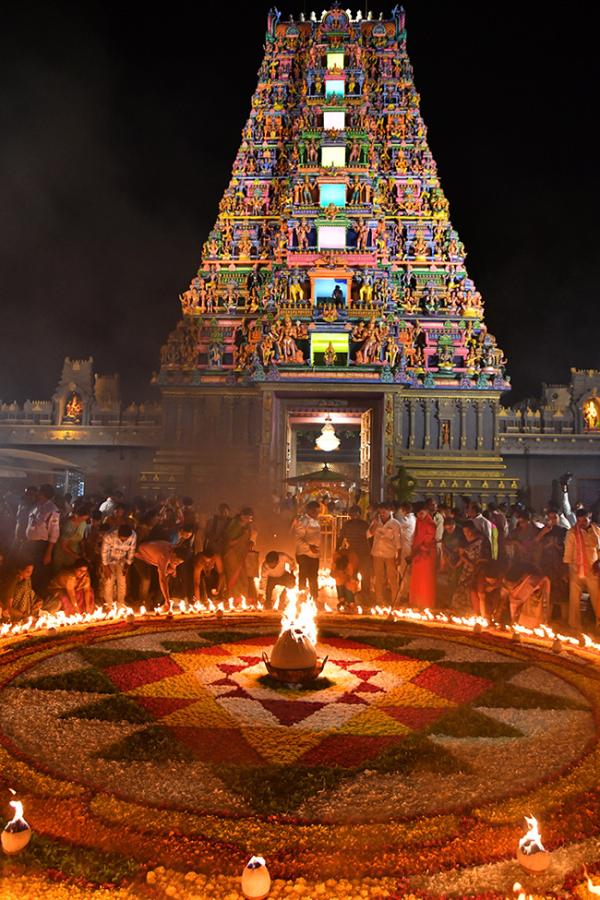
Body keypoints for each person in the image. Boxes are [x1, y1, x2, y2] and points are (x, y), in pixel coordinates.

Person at [563, 508, 600, 631]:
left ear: (589, 517)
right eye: (579, 521)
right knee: (574, 599)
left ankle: (598, 623)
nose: (582, 523)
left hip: (593, 570)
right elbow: (568, 553)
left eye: (584, 520)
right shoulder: (572, 532)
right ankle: (574, 625)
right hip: (575, 569)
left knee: (597, 598)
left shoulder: (596, 531)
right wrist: (568, 572)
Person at [24, 484, 60, 593]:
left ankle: (39, 596)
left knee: (40, 572)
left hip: (42, 545)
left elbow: (54, 532)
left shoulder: (52, 510)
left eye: (39, 492)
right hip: (31, 544)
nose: (37, 493)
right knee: (30, 570)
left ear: (44, 494)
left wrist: (48, 552)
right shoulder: (36, 506)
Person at [534, 509, 568, 620]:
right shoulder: (543, 531)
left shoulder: (564, 531)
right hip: (546, 565)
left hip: (559, 565)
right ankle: (546, 618)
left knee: (562, 592)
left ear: (559, 518)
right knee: (548, 592)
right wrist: (543, 532)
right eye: (549, 518)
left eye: (554, 518)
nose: (552, 520)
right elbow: (535, 543)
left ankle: (564, 619)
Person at [133, 540, 187, 610]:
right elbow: (162, 580)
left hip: (153, 560)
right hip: (140, 556)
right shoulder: (164, 555)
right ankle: (142, 604)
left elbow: (172, 568)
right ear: (174, 554)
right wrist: (167, 599)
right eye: (177, 561)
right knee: (146, 580)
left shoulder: (175, 550)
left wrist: (172, 570)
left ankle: (156, 602)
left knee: (168, 578)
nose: (177, 563)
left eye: (179, 563)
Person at [368, 502, 402, 604]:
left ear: (389, 511)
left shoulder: (395, 524)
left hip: (389, 554)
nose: (382, 514)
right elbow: (368, 534)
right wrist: (375, 524)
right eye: (380, 512)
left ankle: (395, 599)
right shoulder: (376, 522)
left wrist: (399, 556)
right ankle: (379, 599)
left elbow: (398, 542)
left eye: (384, 511)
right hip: (377, 553)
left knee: (392, 577)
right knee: (379, 577)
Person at [456, 521, 492, 613]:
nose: (466, 534)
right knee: (463, 585)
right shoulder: (463, 540)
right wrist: (469, 563)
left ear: (473, 530)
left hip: (479, 568)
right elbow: (461, 555)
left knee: (474, 588)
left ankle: (474, 610)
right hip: (467, 567)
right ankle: (461, 608)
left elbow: (486, 556)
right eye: (464, 532)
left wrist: (478, 565)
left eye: (468, 531)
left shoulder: (482, 540)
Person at [337, 506, 371, 599]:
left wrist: (371, 552)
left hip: (364, 553)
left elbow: (370, 538)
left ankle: (365, 595)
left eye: (356, 513)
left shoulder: (365, 525)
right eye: (352, 513)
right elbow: (341, 537)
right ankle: (352, 596)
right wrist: (337, 549)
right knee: (352, 575)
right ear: (350, 515)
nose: (354, 515)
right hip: (352, 554)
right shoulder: (346, 525)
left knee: (365, 576)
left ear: (360, 514)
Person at [101, 524, 137, 609]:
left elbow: (132, 550)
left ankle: (121, 603)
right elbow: (104, 552)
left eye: (126, 539)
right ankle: (109, 605)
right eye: (122, 539)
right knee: (109, 581)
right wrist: (106, 567)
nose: (124, 541)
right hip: (109, 559)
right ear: (118, 535)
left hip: (122, 560)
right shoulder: (109, 536)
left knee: (122, 581)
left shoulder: (133, 535)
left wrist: (127, 564)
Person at [408, 502, 437, 608]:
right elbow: (416, 537)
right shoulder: (419, 521)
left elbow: (428, 540)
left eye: (421, 513)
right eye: (418, 514)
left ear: (426, 511)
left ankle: (426, 602)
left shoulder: (430, 524)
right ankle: (416, 601)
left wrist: (421, 548)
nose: (420, 516)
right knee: (416, 578)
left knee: (426, 579)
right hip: (417, 554)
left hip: (426, 555)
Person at [222, 508, 255, 600]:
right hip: (231, 554)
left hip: (241, 555)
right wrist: (242, 536)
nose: (249, 520)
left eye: (251, 519)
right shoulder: (235, 525)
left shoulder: (247, 526)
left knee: (243, 576)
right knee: (233, 577)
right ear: (242, 516)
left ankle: (241, 598)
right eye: (248, 518)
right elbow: (230, 542)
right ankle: (233, 598)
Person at [293, 500, 321, 600]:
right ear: (308, 510)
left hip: (315, 555)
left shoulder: (316, 521)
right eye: (314, 511)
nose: (317, 513)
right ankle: (302, 597)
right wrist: (309, 547)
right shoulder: (303, 521)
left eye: (318, 511)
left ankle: (314, 598)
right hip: (304, 554)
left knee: (314, 577)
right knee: (303, 576)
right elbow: (298, 539)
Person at [53, 502, 91, 571]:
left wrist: (83, 551)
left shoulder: (83, 523)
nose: (83, 521)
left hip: (74, 551)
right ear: (76, 515)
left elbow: (81, 538)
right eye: (82, 519)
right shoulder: (68, 527)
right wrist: (78, 558)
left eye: (85, 519)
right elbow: (63, 547)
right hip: (62, 553)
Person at [396, 501, 416, 602]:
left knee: (405, 572)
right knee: (404, 572)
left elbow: (397, 524)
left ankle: (405, 594)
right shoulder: (412, 519)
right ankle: (405, 593)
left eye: (400, 510)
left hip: (406, 548)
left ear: (404, 510)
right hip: (406, 547)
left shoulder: (407, 520)